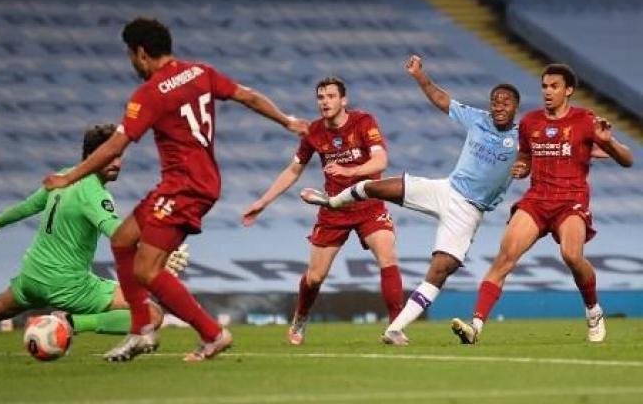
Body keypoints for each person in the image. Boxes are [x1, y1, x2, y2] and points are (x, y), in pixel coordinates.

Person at [43, 17, 309, 362]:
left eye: (130, 55)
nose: (132, 63)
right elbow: (249, 96)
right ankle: (141, 331)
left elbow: (114, 146)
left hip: (185, 186)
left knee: (147, 270)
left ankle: (213, 334)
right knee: (122, 238)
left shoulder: (150, 94)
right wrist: (288, 120)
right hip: (190, 181)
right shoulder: (201, 72)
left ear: (141, 53)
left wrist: (70, 177)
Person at [302, 55, 521, 346]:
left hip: (469, 211)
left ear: (515, 107)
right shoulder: (478, 119)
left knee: (441, 269)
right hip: (446, 189)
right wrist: (420, 75)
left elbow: (538, 156)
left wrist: (527, 167)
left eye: (505, 102)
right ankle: (333, 202)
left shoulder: (523, 136)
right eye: (495, 101)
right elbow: (442, 99)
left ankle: (395, 328)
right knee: (379, 186)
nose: (499, 106)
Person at [0, 124, 188, 357]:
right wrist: (156, 255)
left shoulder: (65, 175)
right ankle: (70, 323)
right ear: (94, 156)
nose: (117, 163)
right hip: (68, 285)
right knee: (152, 314)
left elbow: (27, 206)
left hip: (33, 277)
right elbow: (118, 235)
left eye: (120, 156)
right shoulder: (94, 192)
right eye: (111, 157)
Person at [451, 63, 634, 344]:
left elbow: (627, 160)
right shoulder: (530, 122)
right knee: (504, 258)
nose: (548, 92)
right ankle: (475, 326)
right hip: (537, 200)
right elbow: (525, 157)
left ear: (569, 90)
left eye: (554, 86)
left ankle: (593, 310)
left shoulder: (585, 121)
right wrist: (522, 168)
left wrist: (608, 143)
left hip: (570, 200)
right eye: (545, 86)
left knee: (572, 256)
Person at [242, 77, 404, 345]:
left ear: (343, 100)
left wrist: (350, 171)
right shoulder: (314, 132)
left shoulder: (364, 122)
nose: (325, 101)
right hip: (334, 209)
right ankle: (300, 318)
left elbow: (381, 159)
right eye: (321, 97)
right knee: (315, 277)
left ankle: (396, 328)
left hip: (368, 203)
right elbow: (294, 170)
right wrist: (263, 201)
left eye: (330, 96)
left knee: (387, 256)